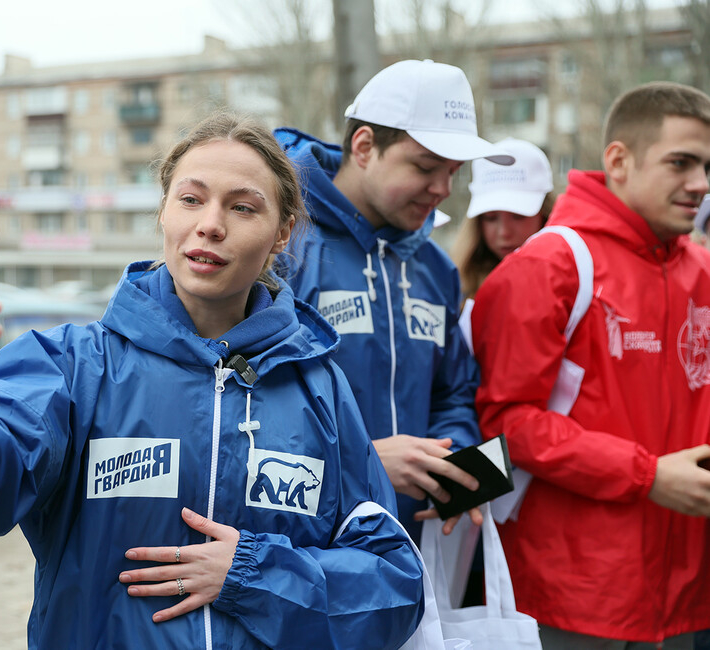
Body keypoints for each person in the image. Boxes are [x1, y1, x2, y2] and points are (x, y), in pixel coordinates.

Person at [0, 112, 425, 650]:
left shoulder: (319, 387)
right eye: (191, 199)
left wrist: (252, 573)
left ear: (283, 232)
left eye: (243, 207)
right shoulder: (69, 366)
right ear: (164, 210)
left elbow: (394, 588)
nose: (210, 225)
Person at [471, 81, 710, 648]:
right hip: (572, 595)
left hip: (684, 592)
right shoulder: (549, 266)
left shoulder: (699, 269)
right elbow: (507, 422)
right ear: (619, 160)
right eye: (681, 162)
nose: (699, 184)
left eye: (705, 165)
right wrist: (647, 476)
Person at [274, 59, 515, 541]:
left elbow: (451, 390)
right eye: (426, 167)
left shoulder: (435, 267)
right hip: (300, 545)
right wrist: (364, 459)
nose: (443, 190)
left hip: (408, 550)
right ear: (364, 147)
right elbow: (244, 404)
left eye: (452, 172)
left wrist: (457, 464)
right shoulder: (282, 245)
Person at [451, 137, 554, 303]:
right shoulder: (454, 289)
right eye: (490, 218)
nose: (504, 232)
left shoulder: (573, 284)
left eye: (518, 216)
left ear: (545, 214)